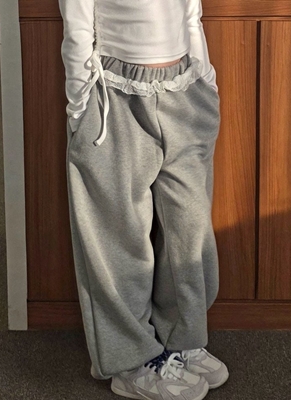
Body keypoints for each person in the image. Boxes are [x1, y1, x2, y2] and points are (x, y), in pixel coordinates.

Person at [58, 0, 229, 398]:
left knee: (189, 227)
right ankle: (131, 361)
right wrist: (81, 108)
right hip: (114, 95)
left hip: (184, 88)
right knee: (118, 237)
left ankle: (182, 338)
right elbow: (78, 27)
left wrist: (205, 79)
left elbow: (190, 11)